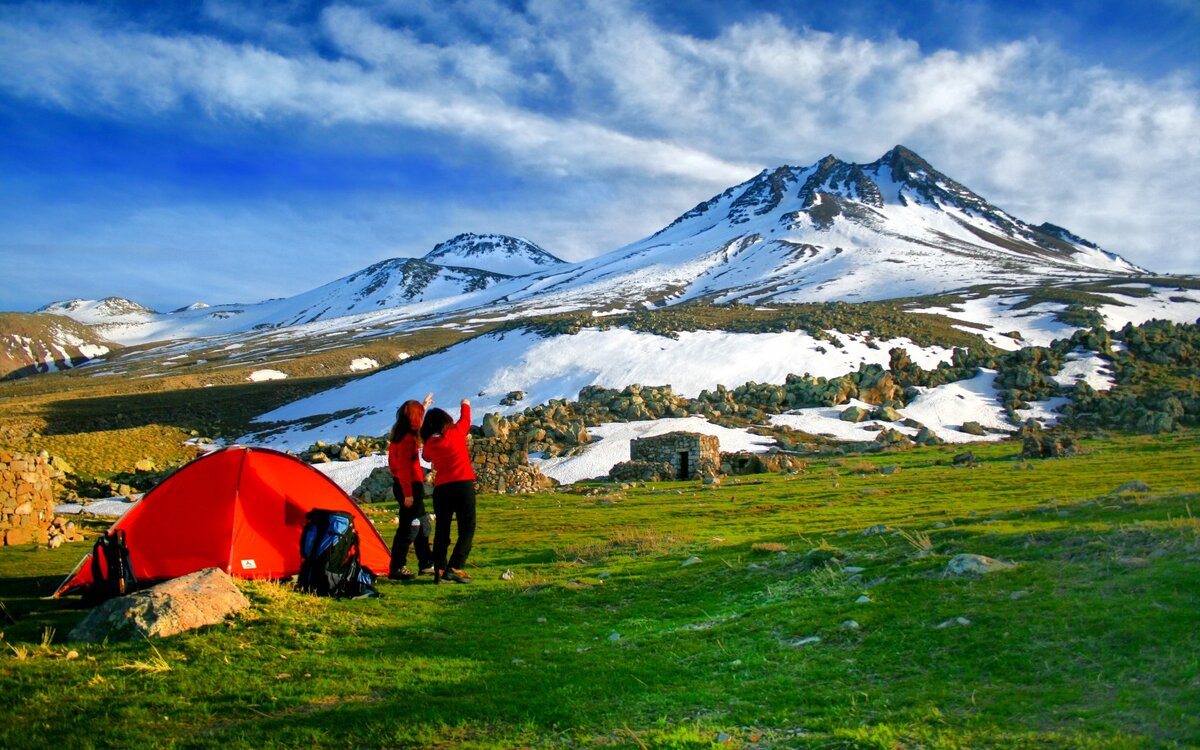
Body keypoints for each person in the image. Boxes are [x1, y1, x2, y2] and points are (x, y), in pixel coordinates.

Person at [420, 399, 477, 584]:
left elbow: (426, 456)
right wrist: (465, 404)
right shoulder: (455, 432)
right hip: (462, 484)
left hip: (442, 488)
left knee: (442, 530)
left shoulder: (429, 443)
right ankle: (456, 566)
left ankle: (440, 568)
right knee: (466, 528)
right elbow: (466, 420)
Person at [387, 393, 434, 580]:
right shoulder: (407, 439)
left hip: (408, 486)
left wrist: (423, 405)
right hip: (409, 486)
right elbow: (404, 468)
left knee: (422, 524)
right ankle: (397, 566)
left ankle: (426, 564)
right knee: (410, 527)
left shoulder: (399, 433)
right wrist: (408, 494)